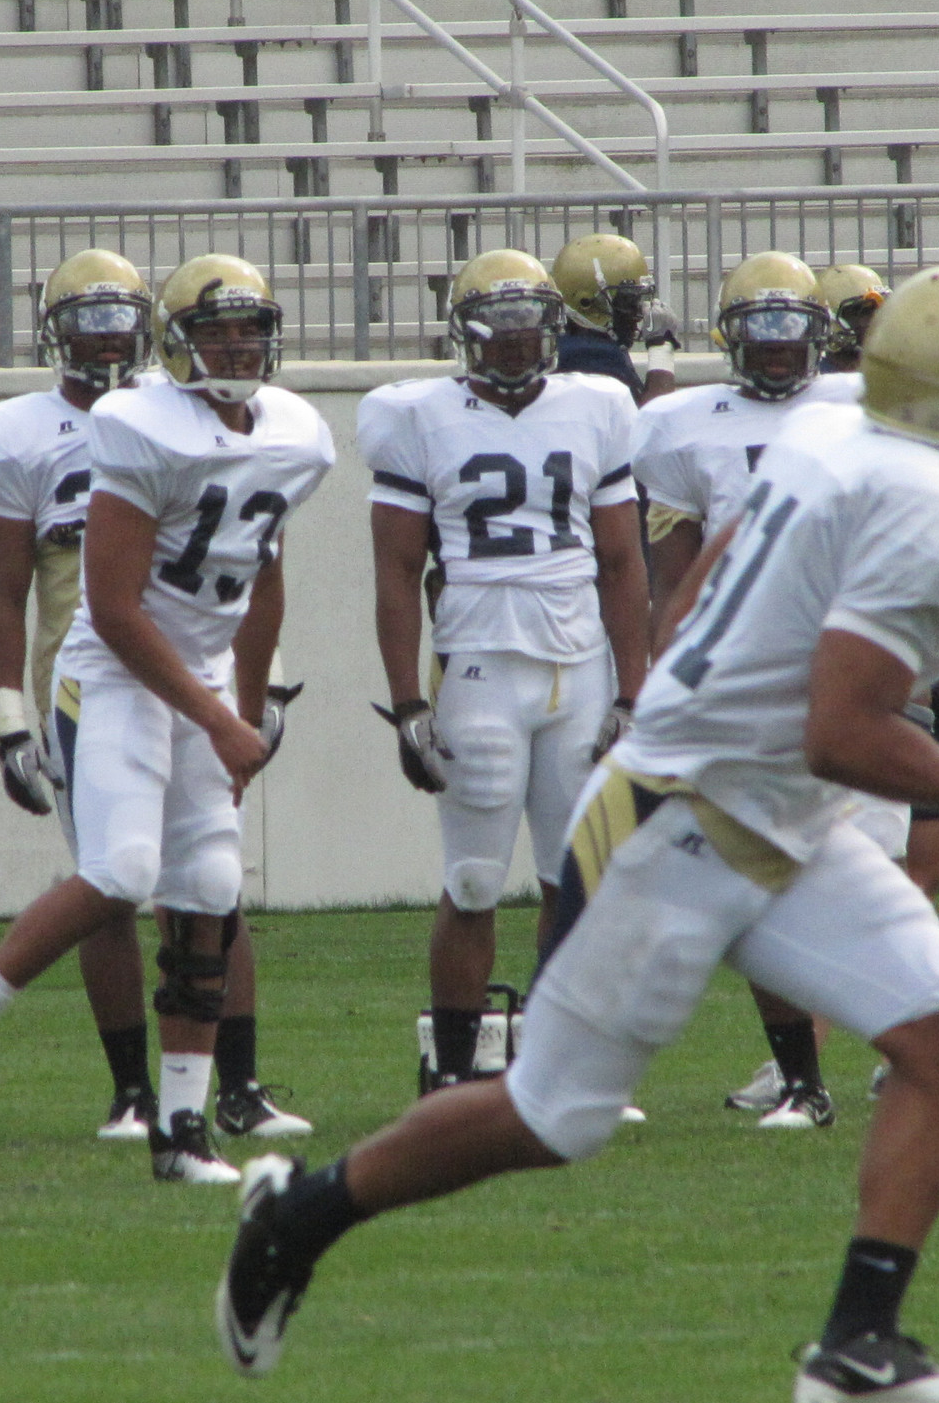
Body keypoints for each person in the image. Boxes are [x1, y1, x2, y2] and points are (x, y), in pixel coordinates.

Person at [214, 264, 939, 1403]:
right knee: (550, 1116)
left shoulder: (823, 436)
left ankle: (856, 1343)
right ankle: (297, 1216)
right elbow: (846, 729)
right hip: (686, 822)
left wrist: (686, 688)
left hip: (771, 809)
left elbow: (700, 587)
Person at [0, 255, 334, 1184]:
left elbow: (265, 586)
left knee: (211, 887)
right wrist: (218, 720)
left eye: (251, 331)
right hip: (112, 672)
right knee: (122, 869)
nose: (236, 347)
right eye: (216, 333)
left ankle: (180, 1133)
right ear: (175, 346)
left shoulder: (296, 432)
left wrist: (246, 711)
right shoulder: (137, 427)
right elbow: (114, 609)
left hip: (204, 675)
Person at [360, 249, 650, 1099]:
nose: (521, 347)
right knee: (475, 879)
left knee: (579, 879)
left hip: (580, 667)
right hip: (480, 663)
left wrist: (634, 690)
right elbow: (395, 574)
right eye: (504, 332)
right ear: (467, 335)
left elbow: (624, 563)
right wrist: (410, 701)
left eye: (533, 331)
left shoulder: (597, 405)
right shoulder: (415, 418)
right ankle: (453, 1067)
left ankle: (567, 1064)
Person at [634, 252, 852, 1127]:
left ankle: (905, 1051)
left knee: (874, 882)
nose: (772, 351)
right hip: (747, 680)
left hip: (853, 670)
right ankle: (804, 1078)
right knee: (760, 887)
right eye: (756, 334)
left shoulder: (860, 407)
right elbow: (672, 578)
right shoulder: (685, 425)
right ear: (729, 340)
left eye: (788, 331)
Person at [548, 233, 679, 403]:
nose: (639, 311)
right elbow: (655, 418)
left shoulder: (575, 343)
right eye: (631, 301)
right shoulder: (590, 355)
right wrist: (661, 348)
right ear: (587, 302)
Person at [812, 264, 886, 375]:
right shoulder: (817, 381)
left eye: (879, 311)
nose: (875, 321)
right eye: (864, 312)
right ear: (830, 321)